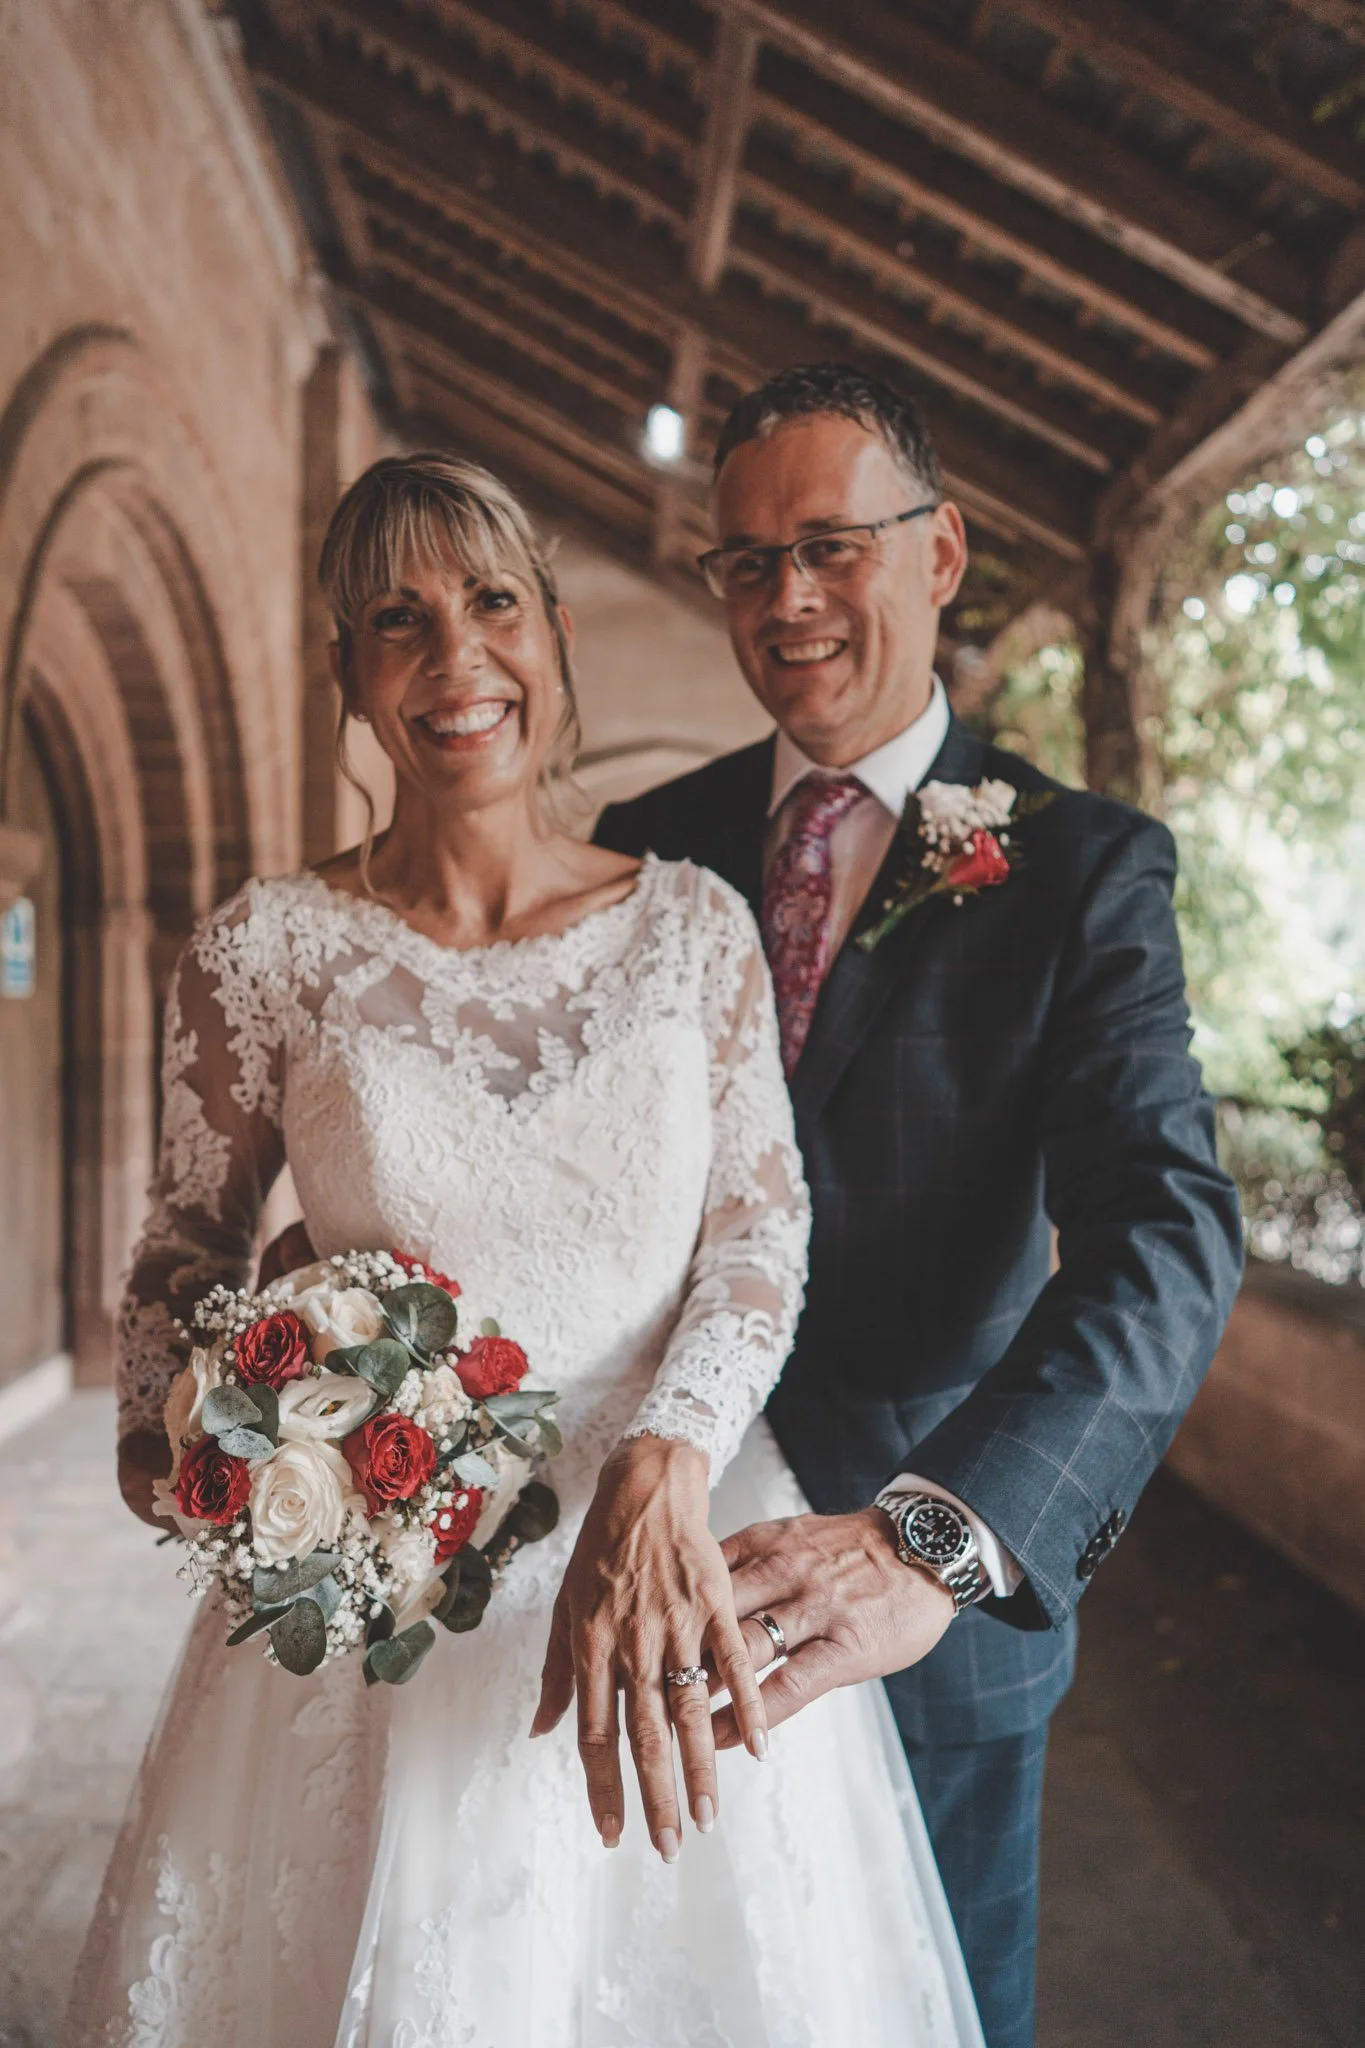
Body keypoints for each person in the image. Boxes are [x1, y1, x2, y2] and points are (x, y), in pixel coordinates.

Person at [69, 452, 985, 2046]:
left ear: (552, 636)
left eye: (493, 602)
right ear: (347, 676)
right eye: (397, 621)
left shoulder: (695, 926)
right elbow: (179, 1257)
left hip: (679, 1552)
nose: (456, 658)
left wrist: (671, 1454)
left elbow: (761, 1235)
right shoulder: (260, 953)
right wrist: (205, 1427)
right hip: (376, 1601)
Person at [593, 363, 1245, 2048]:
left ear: (940, 553)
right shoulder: (640, 854)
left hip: (926, 1631)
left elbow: (1165, 1232)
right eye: (746, 561)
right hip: (655, 1594)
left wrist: (936, 1540)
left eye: (829, 545)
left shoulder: (1082, 866)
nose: (786, 600)